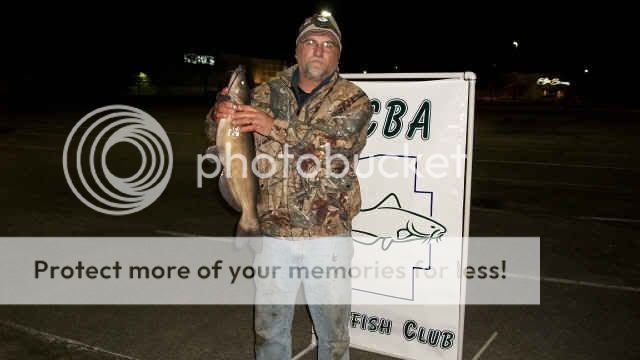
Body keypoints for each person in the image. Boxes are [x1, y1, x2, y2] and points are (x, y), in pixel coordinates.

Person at [206, 11, 373, 360]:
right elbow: (221, 139)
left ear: (338, 55)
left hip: (327, 236)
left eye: (328, 45)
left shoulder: (353, 99)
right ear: (296, 50)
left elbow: (336, 143)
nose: (318, 50)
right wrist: (219, 115)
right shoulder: (262, 94)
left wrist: (273, 126)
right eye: (310, 42)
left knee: (334, 336)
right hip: (271, 232)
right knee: (270, 332)